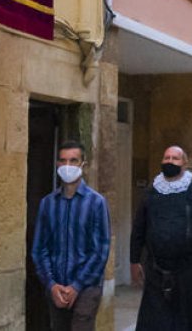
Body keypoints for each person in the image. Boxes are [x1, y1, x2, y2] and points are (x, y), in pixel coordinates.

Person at [130, 146, 192, 331]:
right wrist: (134, 261)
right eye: (166, 157)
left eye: (175, 158)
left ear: (184, 163)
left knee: (188, 321)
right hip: (156, 269)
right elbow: (139, 228)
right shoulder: (151, 192)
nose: (170, 161)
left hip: (191, 270)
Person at [31, 140, 111, 331]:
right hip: (56, 285)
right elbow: (39, 248)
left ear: (83, 164)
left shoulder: (96, 203)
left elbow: (101, 250)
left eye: (73, 160)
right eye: (63, 160)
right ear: (57, 164)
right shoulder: (47, 204)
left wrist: (76, 286)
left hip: (87, 286)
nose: (68, 166)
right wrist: (51, 284)